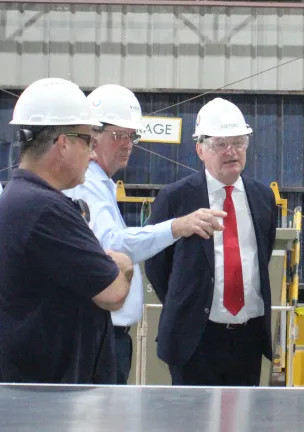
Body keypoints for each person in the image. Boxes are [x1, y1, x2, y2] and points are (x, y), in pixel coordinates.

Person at [62, 84, 228, 385]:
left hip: (109, 336)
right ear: (92, 135)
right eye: (119, 136)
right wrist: (177, 226)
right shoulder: (86, 184)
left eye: (132, 136)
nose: (128, 145)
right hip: (101, 336)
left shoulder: (101, 185)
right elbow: (111, 244)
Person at [0, 77, 133, 384]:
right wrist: (124, 266)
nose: (91, 154)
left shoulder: (22, 199)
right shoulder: (46, 211)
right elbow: (113, 293)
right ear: (63, 143)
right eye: (87, 140)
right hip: (50, 397)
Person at [144, 97, 278, 386]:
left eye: (239, 142)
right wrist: (187, 305)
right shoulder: (175, 198)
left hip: (248, 338)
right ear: (200, 149)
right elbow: (156, 265)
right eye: (220, 144)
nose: (231, 152)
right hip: (195, 339)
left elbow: (261, 255)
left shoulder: (263, 197)